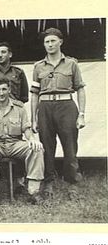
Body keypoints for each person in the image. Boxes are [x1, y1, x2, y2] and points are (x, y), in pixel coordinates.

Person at [30, 27, 86, 200]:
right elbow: (34, 94)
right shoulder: (38, 66)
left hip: (66, 106)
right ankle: (48, 182)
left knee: (70, 145)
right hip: (45, 107)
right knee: (46, 146)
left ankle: (72, 183)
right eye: (47, 42)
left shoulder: (71, 64)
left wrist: (82, 113)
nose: (50, 44)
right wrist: (33, 118)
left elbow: (80, 89)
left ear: (60, 42)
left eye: (53, 41)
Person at [0, 79, 44, 208]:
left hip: (16, 143)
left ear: (9, 90)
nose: (1, 93)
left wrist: (31, 139)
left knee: (37, 149)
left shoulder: (19, 107)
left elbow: (26, 128)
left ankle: (33, 191)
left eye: (4, 89)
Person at [0, 42, 29, 194]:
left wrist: (14, 108)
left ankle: (19, 182)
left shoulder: (18, 72)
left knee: (18, 141)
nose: (0, 55)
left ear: (10, 54)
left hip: (14, 113)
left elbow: (24, 97)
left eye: (3, 52)